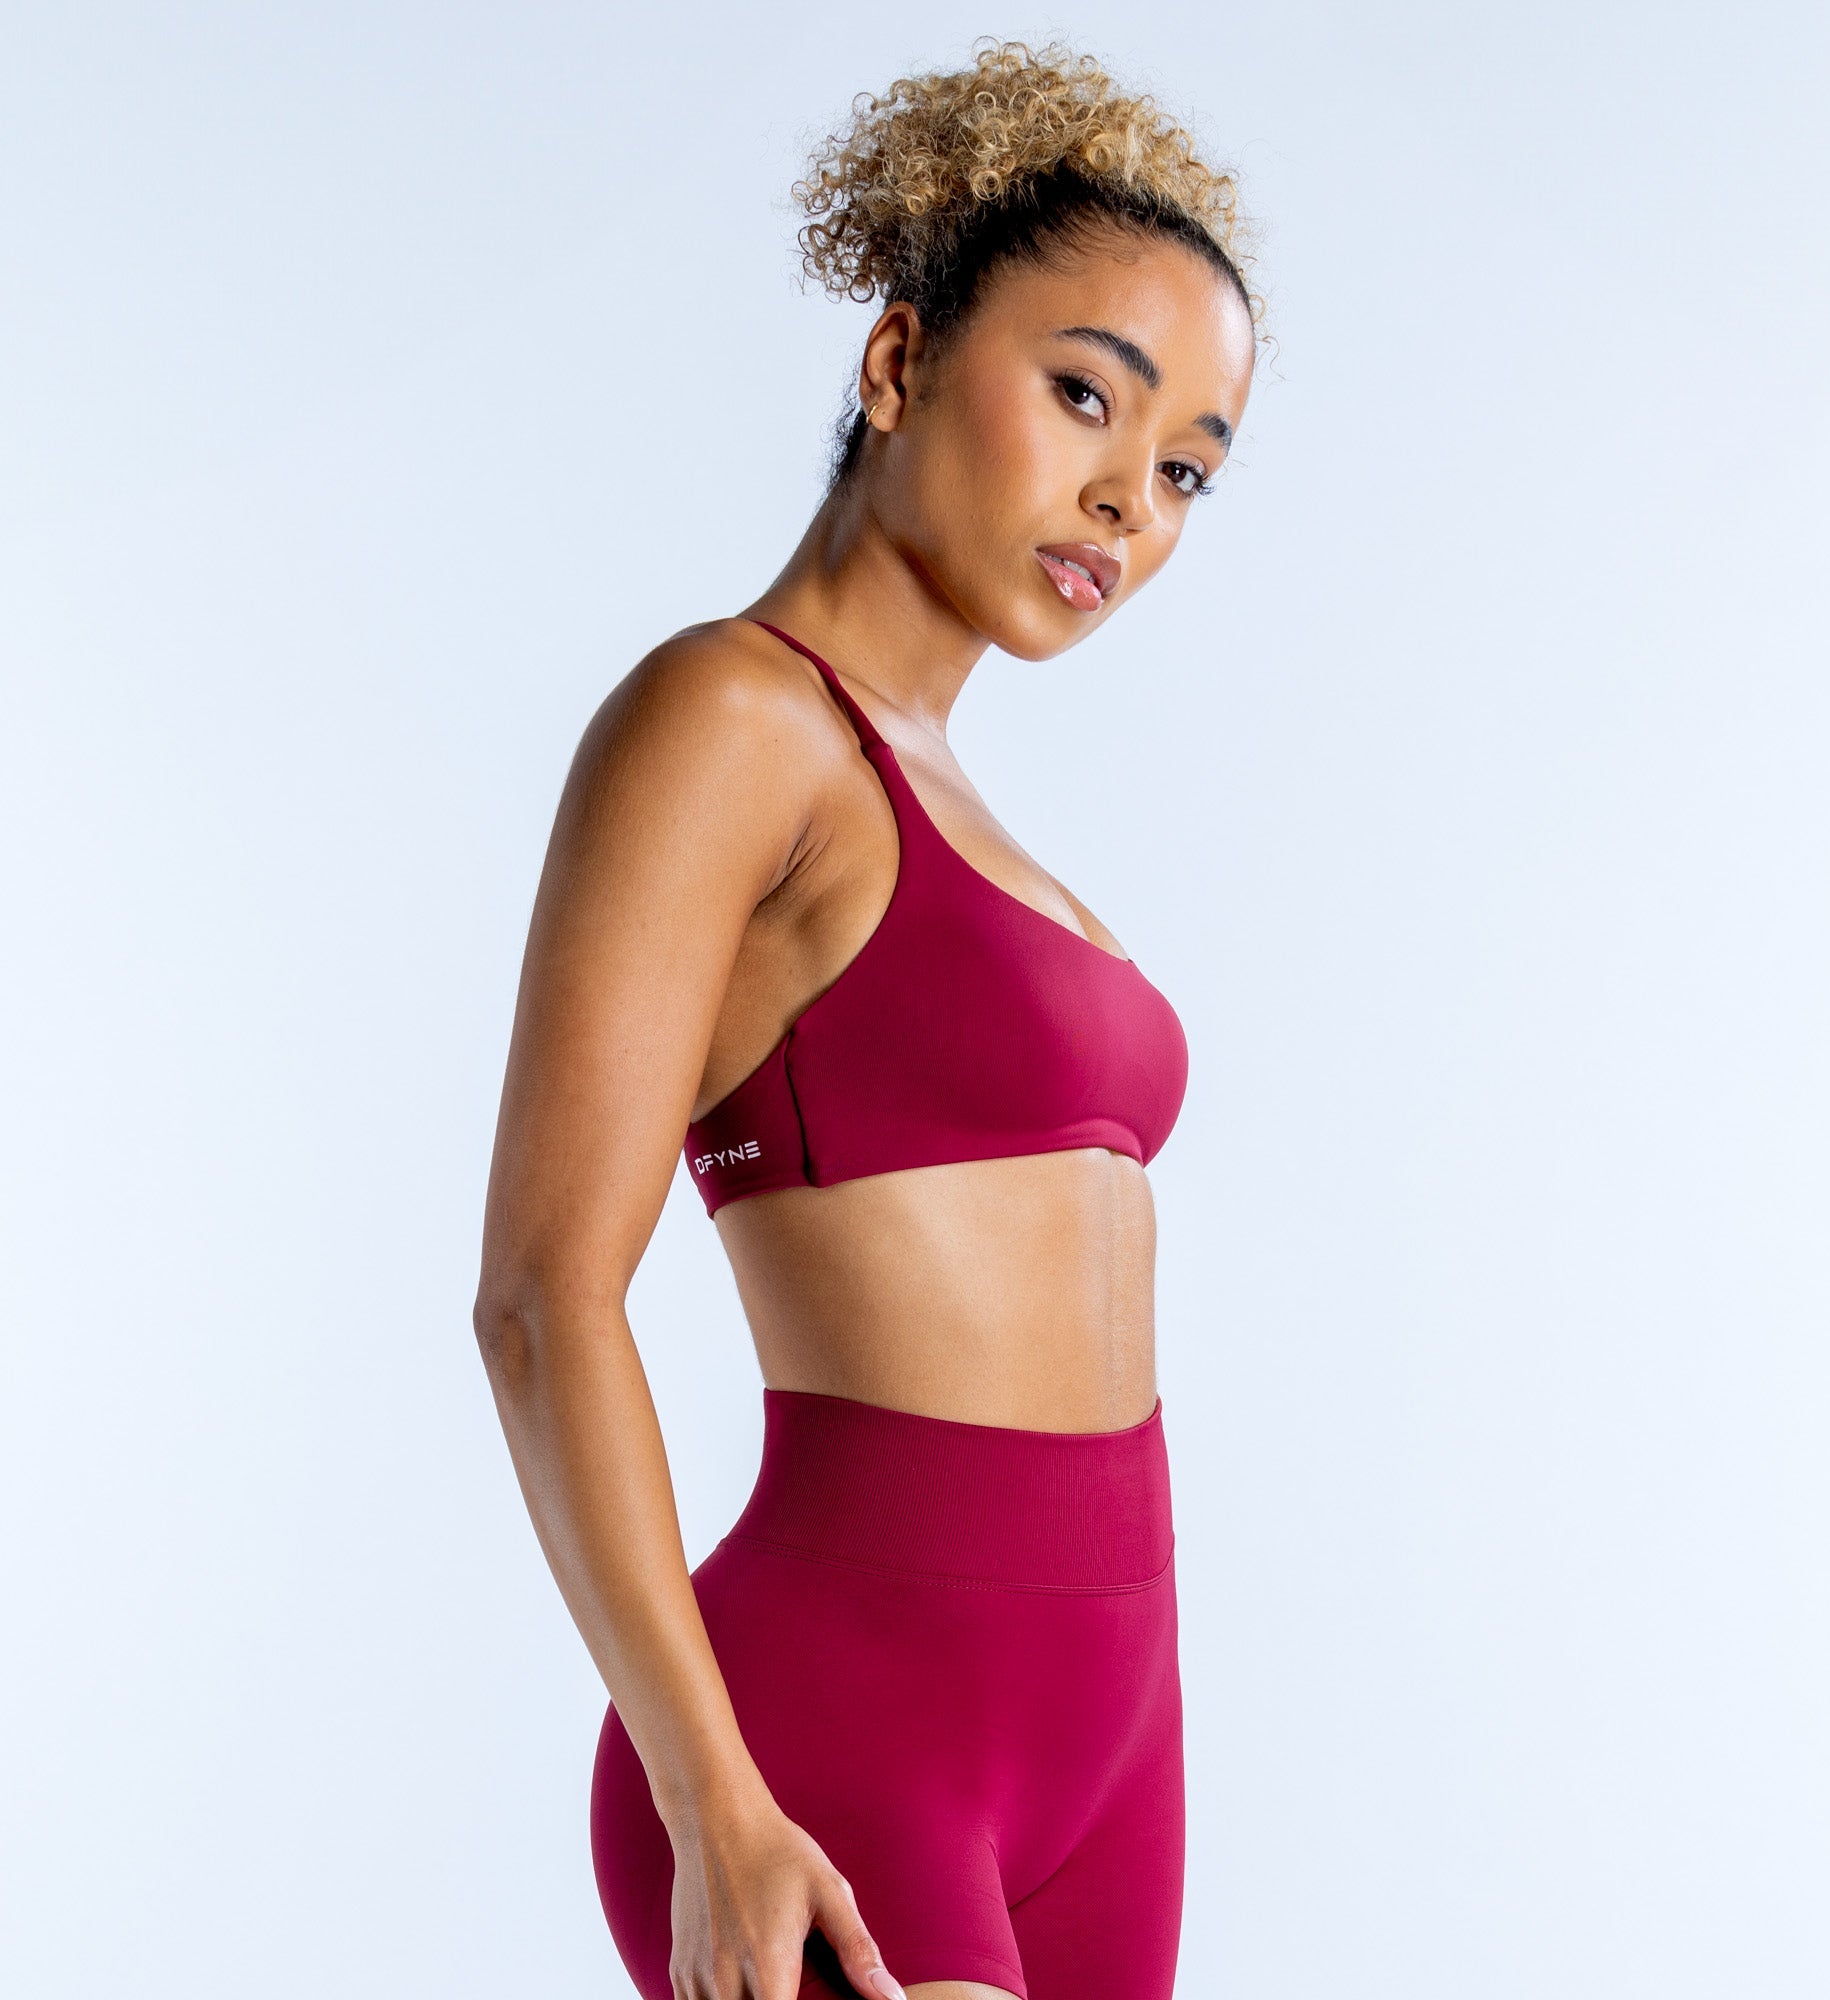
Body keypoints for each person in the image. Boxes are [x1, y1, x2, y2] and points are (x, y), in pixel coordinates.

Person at [473, 37, 1260, 2000]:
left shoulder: (963, 803)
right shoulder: (733, 719)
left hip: (1113, 1739)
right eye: (1085, 394)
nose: (1128, 497)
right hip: (830, 1745)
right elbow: (544, 1296)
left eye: (1186, 466)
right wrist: (711, 1797)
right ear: (898, 362)